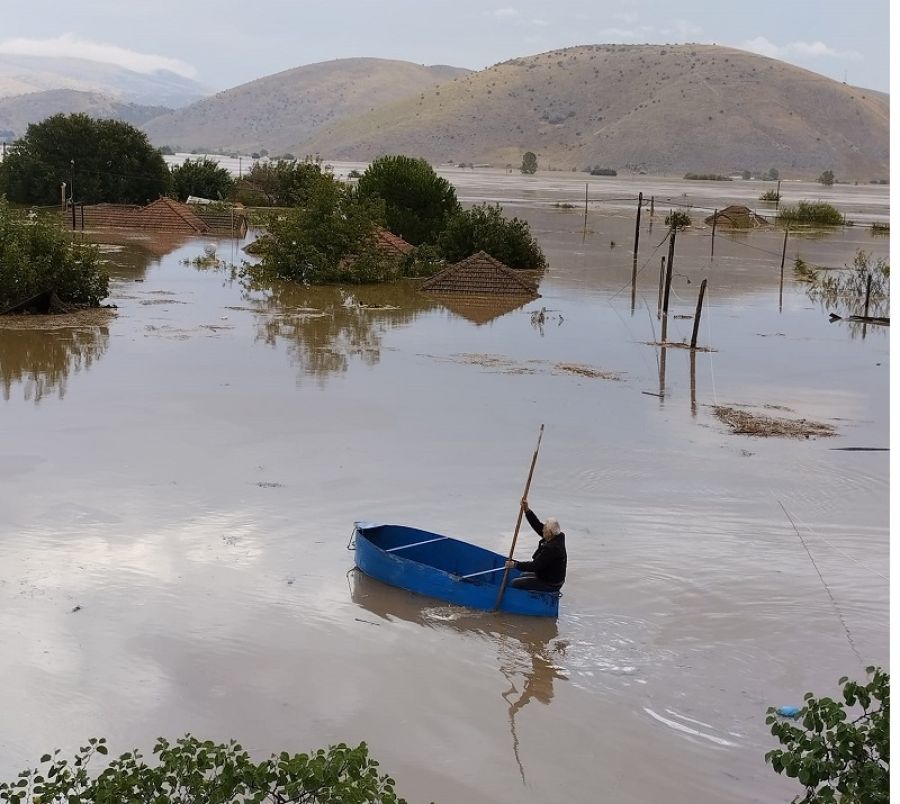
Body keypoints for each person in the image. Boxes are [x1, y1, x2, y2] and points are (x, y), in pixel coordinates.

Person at [505, 497, 567, 592]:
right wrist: (527, 510)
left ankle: (525, 603)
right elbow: (538, 526)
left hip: (551, 583)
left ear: (549, 532)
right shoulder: (557, 536)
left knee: (515, 583)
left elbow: (534, 566)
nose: (542, 530)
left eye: (544, 529)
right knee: (523, 575)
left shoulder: (552, 548)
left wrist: (515, 565)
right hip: (550, 576)